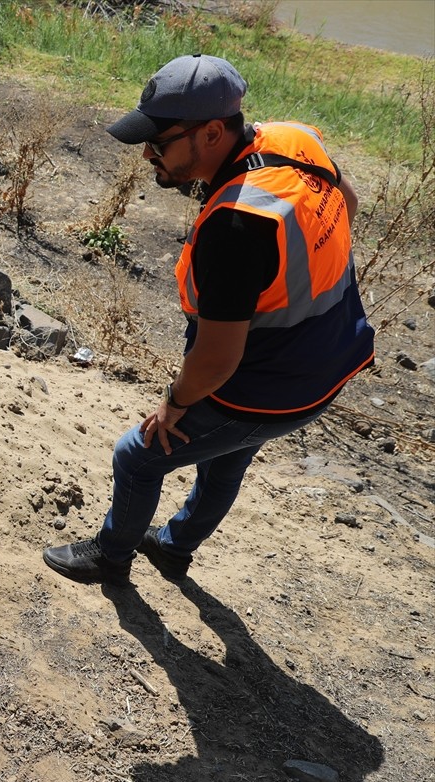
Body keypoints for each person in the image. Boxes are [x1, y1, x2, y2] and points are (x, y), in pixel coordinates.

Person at [43, 54, 375, 584]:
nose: (147, 155)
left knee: (139, 454)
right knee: (227, 458)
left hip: (267, 384)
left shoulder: (236, 228)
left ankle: (111, 558)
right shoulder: (295, 140)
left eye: (159, 143)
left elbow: (217, 361)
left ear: (213, 133)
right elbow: (348, 203)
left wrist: (172, 405)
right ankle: (174, 549)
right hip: (330, 356)